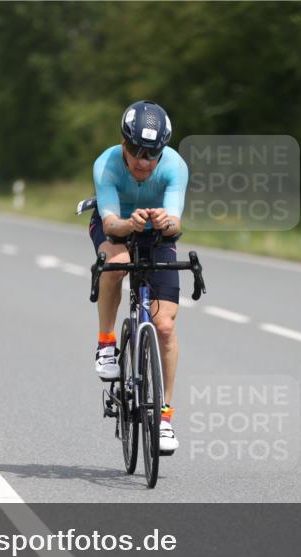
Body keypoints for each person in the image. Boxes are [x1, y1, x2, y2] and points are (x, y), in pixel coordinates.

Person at [89, 100, 188, 453]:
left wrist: (166, 222)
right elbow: (110, 221)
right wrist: (129, 225)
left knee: (164, 327)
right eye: (135, 150)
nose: (142, 161)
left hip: (157, 235)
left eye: (152, 153)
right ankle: (105, 343)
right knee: (116, 261)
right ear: (123, 142)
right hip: (117, 226)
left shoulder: (175, 166)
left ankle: (163, 420)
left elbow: (177, 223)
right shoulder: (107, 165)